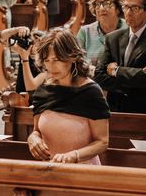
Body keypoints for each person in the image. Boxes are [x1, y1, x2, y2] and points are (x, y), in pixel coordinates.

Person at [26, 28, 110, 165]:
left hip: (82, 169)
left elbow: (102, 142)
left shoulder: (90, 92)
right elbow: (37, 131)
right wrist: (32, 138)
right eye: (47, 60)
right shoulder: (43, 90)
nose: (51, 66)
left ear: (73, 57)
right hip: (49, 168)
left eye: (57, 59)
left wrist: (75, 155)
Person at [95, 0, 146, 112]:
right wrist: (137, 79)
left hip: (144, 109)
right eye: (126, 7)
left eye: (135, 8)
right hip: (115, 108)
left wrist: (116, 71)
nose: (128, 13)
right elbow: (99, 75)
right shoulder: (113, 38)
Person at [77, 0, 127, 67]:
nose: (101, 8)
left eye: (107, 3)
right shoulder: (85, 32)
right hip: (93, 74)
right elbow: (77, 61)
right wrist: (89, 68)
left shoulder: (129, 29)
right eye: (97, 4)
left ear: (118, 8)